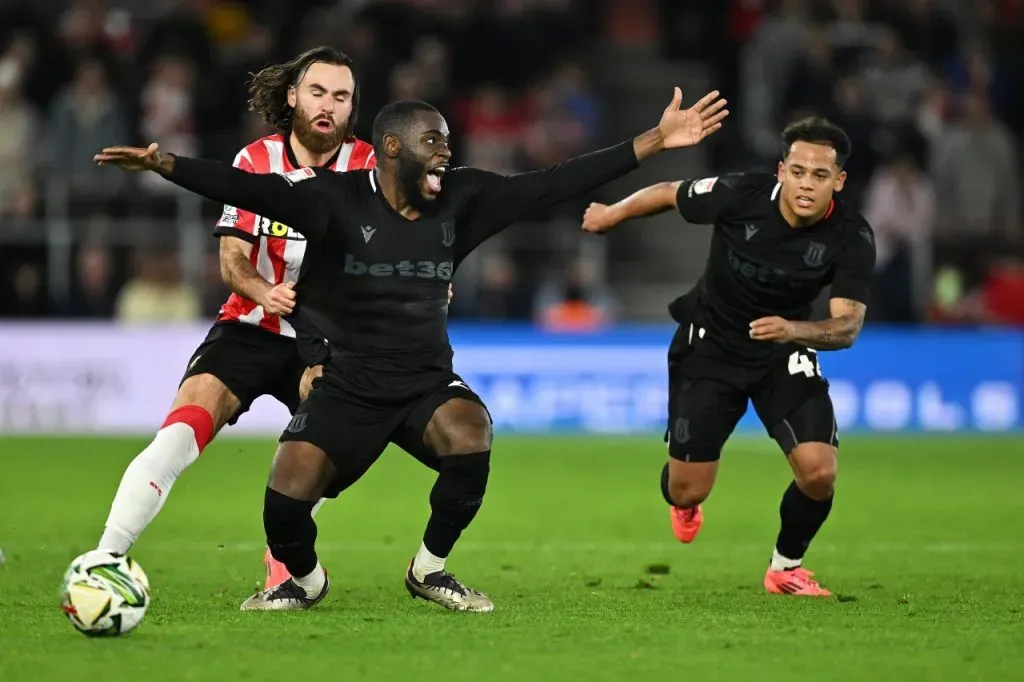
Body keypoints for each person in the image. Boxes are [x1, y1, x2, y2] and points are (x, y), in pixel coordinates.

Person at [94, 88, 729, 612]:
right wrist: (165, 165)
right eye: (433, 141)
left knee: (471, 430)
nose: (446, 153)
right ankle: (306, 580)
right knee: (285, 498)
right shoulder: (334, 200)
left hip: (425, 381)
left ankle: (430, 569)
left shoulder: (465, 197)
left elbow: (556, 183)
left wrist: (652, 140)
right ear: (391, 148)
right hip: (348, 382)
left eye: (449, 142)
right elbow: (255, 191)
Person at [94, 47, 448, 593]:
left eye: (341, 96)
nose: (327, 105)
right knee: (181, 430)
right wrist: (265, 291)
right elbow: (232, 258)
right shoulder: (255, 162)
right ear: (293, 97)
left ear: (353, 108)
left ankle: (286, 563)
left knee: (325, 454)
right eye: (317, 92)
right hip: (250, 325)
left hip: (331, 341)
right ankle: (105, 559)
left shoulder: (371, 169)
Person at [581, 117, 875, 597]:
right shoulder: (740, 194)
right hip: (709, 347)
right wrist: (612, 215)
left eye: (820, 176)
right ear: (782, 170)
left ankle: (785, 568)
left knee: (819, 472)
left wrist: (793, 330)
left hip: (783, 351)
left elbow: (847, 327)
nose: (806, 184)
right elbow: (670, 192)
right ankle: (681, 493)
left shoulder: (851, 236)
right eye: (798, 171)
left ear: (838, 181)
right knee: (687, 488)